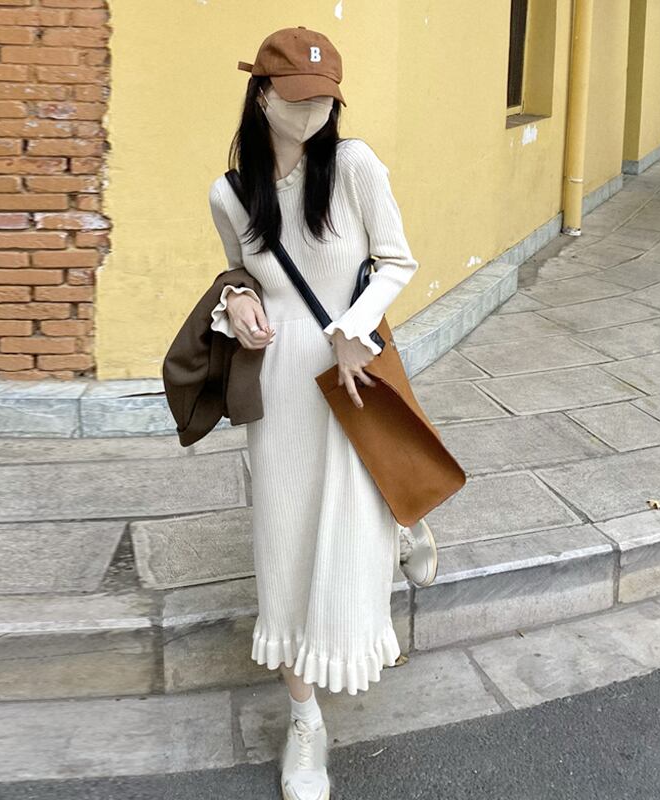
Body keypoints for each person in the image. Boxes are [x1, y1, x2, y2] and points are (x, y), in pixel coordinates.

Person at [207, 26, 422, 800]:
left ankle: (402, 522)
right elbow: (240, 273)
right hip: (279, 382)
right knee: (286, 540)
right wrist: (236, 302)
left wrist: (353, 329)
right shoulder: (230, 193)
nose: (311, 113)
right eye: (296, 99)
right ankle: (305, 724)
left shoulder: (355, 165)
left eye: (325, 100)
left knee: (359, 512)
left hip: (351, 363)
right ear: (261, 94)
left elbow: (397, 259)